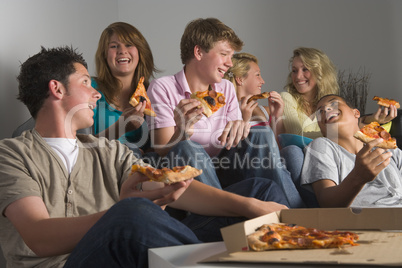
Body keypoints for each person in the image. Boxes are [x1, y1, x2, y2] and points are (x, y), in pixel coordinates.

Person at [0, 46, 289, 268]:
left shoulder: (107, 150)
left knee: (259, 191)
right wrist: (123, 212)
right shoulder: (11, 154)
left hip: (127, 251)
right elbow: (37, 236)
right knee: (131, 213)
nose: (95, 93)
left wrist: (252, 205)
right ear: (57, 88)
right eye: (86, 82)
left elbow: (162, 188)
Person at [146, 18, 305, 208]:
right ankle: (222, 214)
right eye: (224, 54)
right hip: (193, 177)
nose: (230, 63)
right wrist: (182, 131)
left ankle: (294, 216)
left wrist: (240, 127)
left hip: (227, 167)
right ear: (198, 52)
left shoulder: (226, 88)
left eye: (231, 56)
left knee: (260, 134)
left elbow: (233, 142)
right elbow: (162, 149)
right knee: (187, 147)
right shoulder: (163, 87)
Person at [301, 94, 402, 208]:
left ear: (356, 113)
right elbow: (327, 203)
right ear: (322, 129)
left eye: (333, 103)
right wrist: (358, 177)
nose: (325, 110)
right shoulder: (321, 146)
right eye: (320, 112)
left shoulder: (388, 149)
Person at [281, 47, 397, 139]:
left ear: (320, 72)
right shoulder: (286, 98)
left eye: (305, 69)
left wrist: (370, 120)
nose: (298, 76)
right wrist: (346, 131)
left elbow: (347, 125)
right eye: (294, 70)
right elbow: (296, 135)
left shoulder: (332, 101)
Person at [92, 22, 157, 153]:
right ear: (104, 55)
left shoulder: (153, 93)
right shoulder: (91, 89)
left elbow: (159, 149)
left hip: (143, 167)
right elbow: (81, 146)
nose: (122, 51)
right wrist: (121, 127)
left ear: (140, 51)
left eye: (129, 45)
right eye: (114, 46)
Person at [223, 52, 285, 138]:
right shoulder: (224, 112)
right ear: (240, 79)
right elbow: (228, 148)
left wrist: (276, 117)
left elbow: (279, 148)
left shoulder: (267, 111)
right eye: (258, 75)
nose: (262, 81)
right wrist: (244, 120)